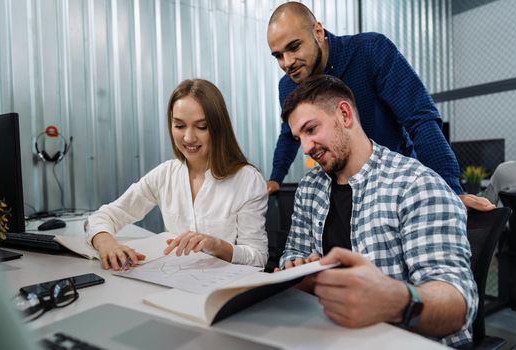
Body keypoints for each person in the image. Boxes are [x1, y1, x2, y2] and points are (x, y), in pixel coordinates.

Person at [278, 75, 477, 347]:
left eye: (311, 130)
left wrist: (396, 300)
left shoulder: (415, 184)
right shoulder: (309, 187)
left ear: (345, 114)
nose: (306, 148)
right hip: (329, 334)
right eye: (298, 137)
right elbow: (293, 253)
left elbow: (458, 304)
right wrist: (297, 269)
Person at [265, 1, 493, 212]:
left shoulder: (371, 51)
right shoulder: (288, 88)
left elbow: (420, 119)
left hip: (396, 186)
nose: (287, 63)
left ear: (318, 32)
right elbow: (288, 135)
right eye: (278, 56)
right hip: (344, 194)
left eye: (294, 47)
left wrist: (450, 191)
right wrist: (275, 178)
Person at [86, 79, 268, 270]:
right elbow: (104, 216)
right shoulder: (165, 174)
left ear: (218, 128)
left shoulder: (247, 180)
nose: (189, 138)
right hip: (173, 286)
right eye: (179, 126)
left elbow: (258, 257)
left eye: (202, 127)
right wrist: (106, 243)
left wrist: (217, 245)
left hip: (224, 291)